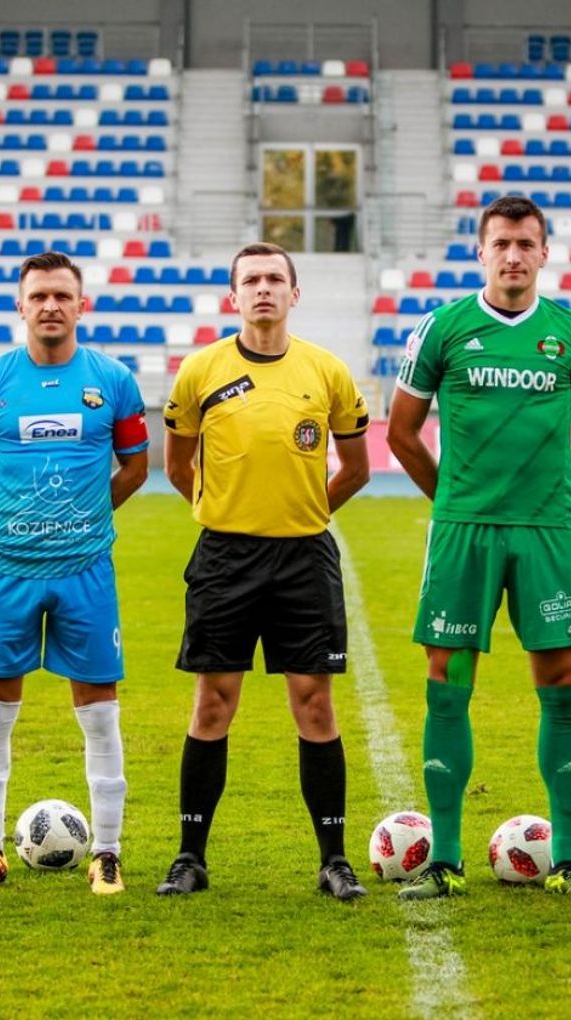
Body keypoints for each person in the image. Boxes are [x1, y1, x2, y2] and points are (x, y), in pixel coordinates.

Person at [387, 195, 571, 899]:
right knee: (448, 684)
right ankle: (446, 859)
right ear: (481, 252)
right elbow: (400, 432)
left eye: (525, 244)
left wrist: (549, 490)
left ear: (544, 253)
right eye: (501, 244)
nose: (513, 255)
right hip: (465, 534)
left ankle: (568, 859)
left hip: (545, 534)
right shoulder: (444, 328)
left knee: (562, 682)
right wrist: (452, 501)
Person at [155, 242, 372, 901]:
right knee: (213, 702)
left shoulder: (327, 371)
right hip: (225, 559)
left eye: (275, 278)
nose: (263, 289)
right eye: (250, 280)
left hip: (304, 558)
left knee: (315, 703)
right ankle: (190, 858)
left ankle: (334, 861)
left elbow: (356, 468)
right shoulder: (201, 371)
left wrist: (307, 511)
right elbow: (178, 465)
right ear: (234, 296)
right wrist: (224, 512)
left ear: (294, 294)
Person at [0, 251, 149, 895]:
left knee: (99, 711)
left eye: (63, 295)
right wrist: (14, 520)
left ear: (81, 305)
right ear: (20, 305)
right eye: (38, 295)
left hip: (85, 570)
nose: (50, 306)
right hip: (6, 570)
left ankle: (108, 853)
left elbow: (136, 467)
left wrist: (84, 518)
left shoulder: (112, 380)